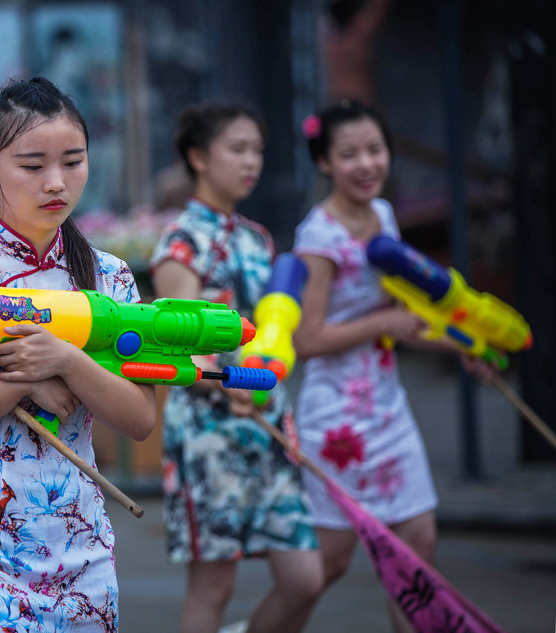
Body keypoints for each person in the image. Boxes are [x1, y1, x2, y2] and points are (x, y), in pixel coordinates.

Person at [0, 77, 156, 630]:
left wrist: (67, 361)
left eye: (73, 161)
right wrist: (20, 381)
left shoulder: (108, 278)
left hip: (82, 548)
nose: (57, 182)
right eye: (32, 165)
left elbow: (139, 420)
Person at [291, 100, 494, 633]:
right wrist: (382, 327)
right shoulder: (318, 236)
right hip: (335, 417)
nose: (367, 164)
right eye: (350, 153)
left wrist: (465, 347)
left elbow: (403, 316)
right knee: (330, 562)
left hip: (388, 408)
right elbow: (307, 339)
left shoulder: (382, 215)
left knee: (418, 550)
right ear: (326, 163)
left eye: (375, 150)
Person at [149, 101, 324, 633]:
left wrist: (263, 386)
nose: (252, 162)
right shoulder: (182, 242)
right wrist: (230, 386)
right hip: (210, 432)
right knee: (214, 587)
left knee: (304, 579)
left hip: (268, 425)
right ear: (199, 157)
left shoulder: (257, 238)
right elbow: (176, 344)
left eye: (258, 151)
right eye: (237, 148)